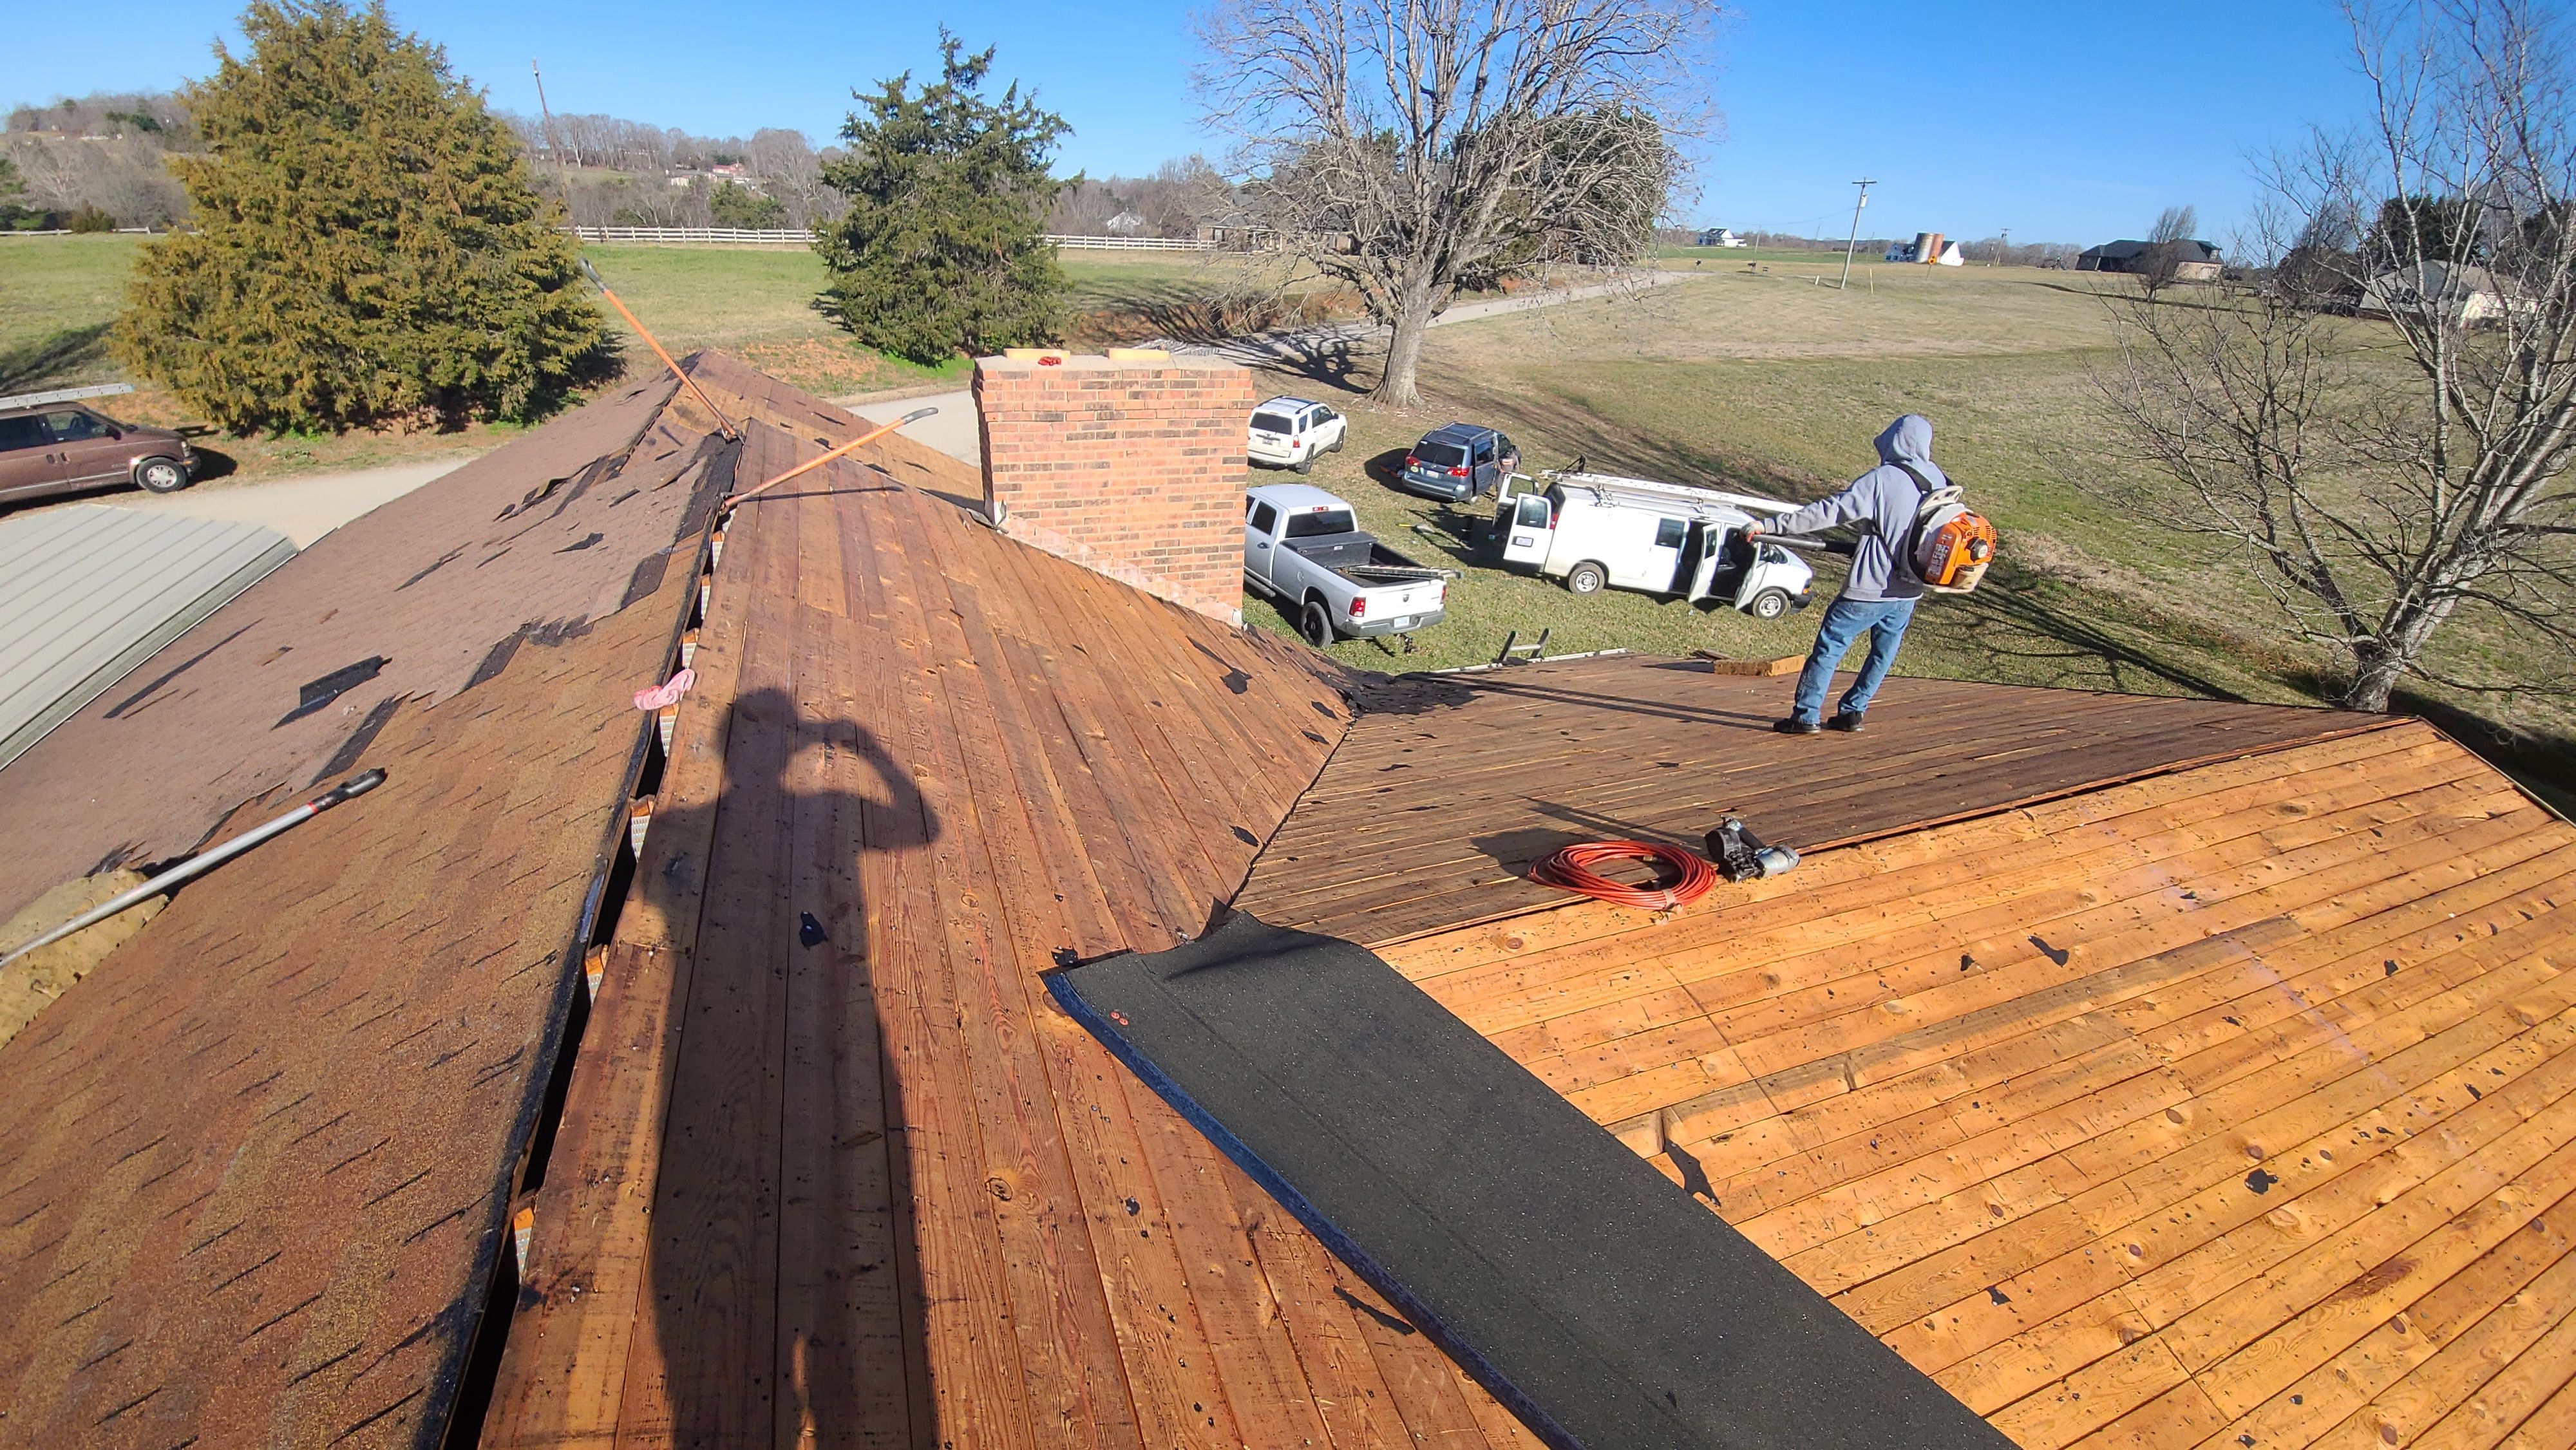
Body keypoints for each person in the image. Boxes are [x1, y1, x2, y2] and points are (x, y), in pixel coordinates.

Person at [1743, 413, 1944, 735]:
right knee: (1883, 653)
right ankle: (1853, 712)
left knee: (1830, 646)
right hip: (1910, 589)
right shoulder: (1939, 481)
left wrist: (1770, 526)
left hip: (1871, 586)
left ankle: (1806, 716)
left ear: (1894, 440)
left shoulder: (1882, 479)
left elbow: (1829, 512)